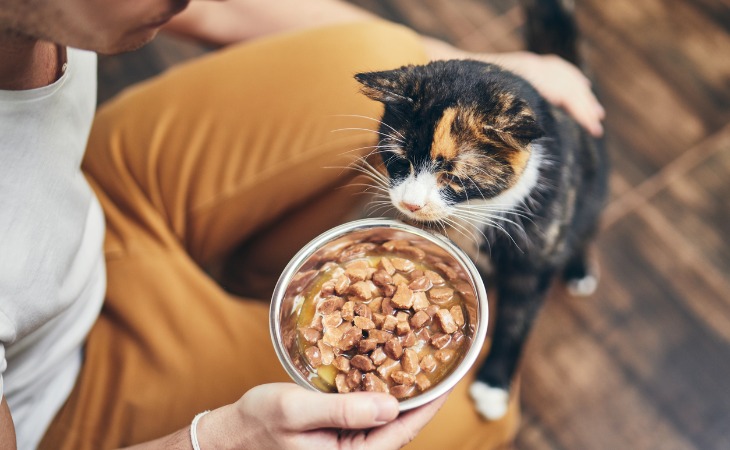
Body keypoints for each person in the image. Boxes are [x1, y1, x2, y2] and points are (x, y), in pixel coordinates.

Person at [0, 0, 604, 449]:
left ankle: (249, 273)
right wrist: (222, 440)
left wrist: (477, 75)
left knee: (369, 45)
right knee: (478, 416)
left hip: (87, 194)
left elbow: (220, 7)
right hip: (61, 395)